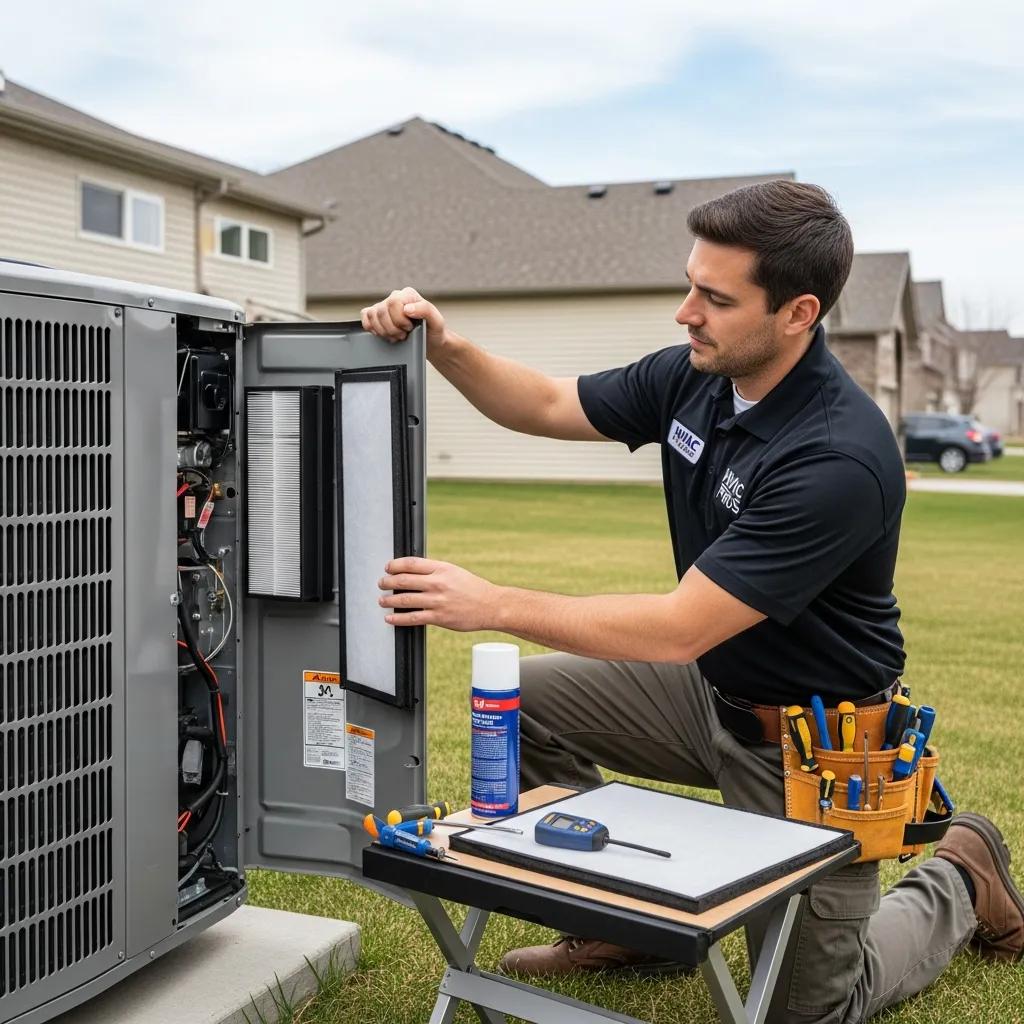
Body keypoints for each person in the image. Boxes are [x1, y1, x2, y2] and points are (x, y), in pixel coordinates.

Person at [361, 180, 1023, 1023]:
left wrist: (491, 600)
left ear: (797, 313)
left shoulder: (838, 458)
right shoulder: (697, 377)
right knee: (523, 700)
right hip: (706, 692)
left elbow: (679, 628)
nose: (686, 313)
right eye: (690, 285)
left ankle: (962, 873)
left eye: (715, 297)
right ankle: (620, 924)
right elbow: (549, 402)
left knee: (810, 1011)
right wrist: (444, 346)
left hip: (810, 747)